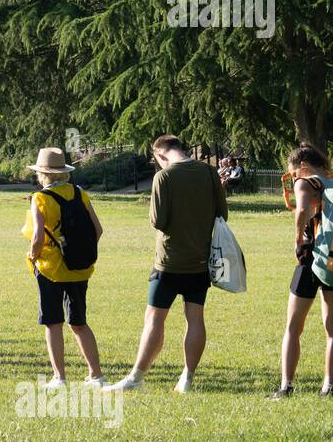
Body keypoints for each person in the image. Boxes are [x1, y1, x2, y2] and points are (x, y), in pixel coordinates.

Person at [105, 134, 228, 393]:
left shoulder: (164, 177)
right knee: (195, 318)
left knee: (154, 318)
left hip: (168, 262)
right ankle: (187, 378)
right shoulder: (209, 172)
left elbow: (158, 221)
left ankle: (136, 377)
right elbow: (222, 214)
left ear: (160, 155)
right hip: (200, 261)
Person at [269, 143, 333, 399]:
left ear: (302, 167)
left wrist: (297, 240)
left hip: (312, 255)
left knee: (293, 325)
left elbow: (302, 209)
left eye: (293, 175)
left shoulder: (306, 182)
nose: (294, 180)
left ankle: (286, 386)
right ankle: (328, 387)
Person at [23, 147, 104, 388]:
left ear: (42, 174)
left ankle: (59, 377)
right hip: (80, 267)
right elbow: (97, 230)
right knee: (79, 322)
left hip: (50, 268)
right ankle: (96, 375)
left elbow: (37, 237)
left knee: (53, 322)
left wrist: (32, 256)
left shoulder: (40, 198)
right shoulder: (80, 193)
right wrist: (79, 251)